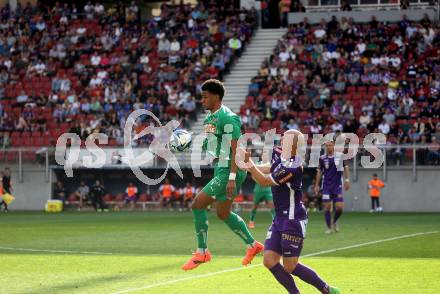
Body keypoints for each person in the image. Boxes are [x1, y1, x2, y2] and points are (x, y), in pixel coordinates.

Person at [243, 129, 340, 294]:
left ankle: (326, 289)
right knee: (269, 260)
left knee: (290, 266)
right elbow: (269, 168)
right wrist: (251, 165)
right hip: (280, 218)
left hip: (293, 219)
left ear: (294, 145)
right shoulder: (280, 155)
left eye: (285, 139)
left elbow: (266, 181)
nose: (281, 140)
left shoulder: (294, 165)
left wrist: (250, 166)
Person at [181, 79, 263, 271]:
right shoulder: (209, 119)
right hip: (221, 167)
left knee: (197, 204)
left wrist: (232, 177)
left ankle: (202, 252)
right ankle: (253, 246)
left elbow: (236, 149)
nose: (202, 101)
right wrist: (187, 142)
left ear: (216, 96)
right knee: (223, 213)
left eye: (205, 97)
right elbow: (211, 145)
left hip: (229, 169)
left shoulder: (228, 118)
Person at [314, 140, 351, 234]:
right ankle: (329, 228)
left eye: (330, 145)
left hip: (337, 185)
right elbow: (319, 172)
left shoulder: (340, 156)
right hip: (326, 186)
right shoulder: (322, 158)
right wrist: (317, 185)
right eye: (327, 146)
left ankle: (334, 221)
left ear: (334, 145)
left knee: (339, 207)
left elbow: (346, 168)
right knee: (327, 207)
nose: (328, 147)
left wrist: (347, 180)